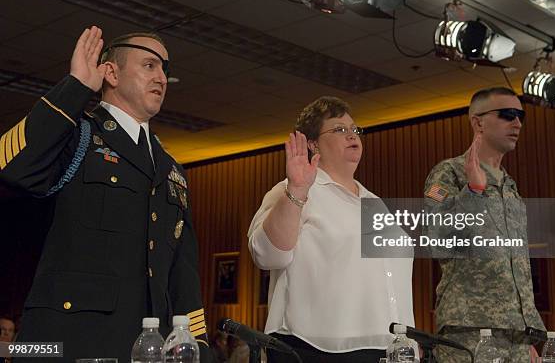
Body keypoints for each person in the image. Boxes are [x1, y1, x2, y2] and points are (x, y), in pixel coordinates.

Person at [0, 27, 212, 362]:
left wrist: (195, 343)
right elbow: (12, 165)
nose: (161, 78)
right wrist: (75, 88)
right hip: (64, 344)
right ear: (110, 72)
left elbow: (182, 271)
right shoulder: (78, 136)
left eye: (164, 70)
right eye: (149, 65)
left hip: (143, 348)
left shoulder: (171, 171)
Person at [248, 97, 417, 362]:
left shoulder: (373, 202)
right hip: (316, 349)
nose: (352, 135)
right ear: (313, 143)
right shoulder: (294, 190)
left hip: (386, 348)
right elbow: (266, 255)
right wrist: (296, 192)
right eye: (339, 129)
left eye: (355, 129)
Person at [423, 87, 545, 363]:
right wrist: (474, 192)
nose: (517, 123)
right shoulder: (447, 173)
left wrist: (525, 336)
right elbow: (437, 238)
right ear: (478, 122)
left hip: (516, 334)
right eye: (507, 114)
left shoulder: (509, 186)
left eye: (520, 116)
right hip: (470, 330)